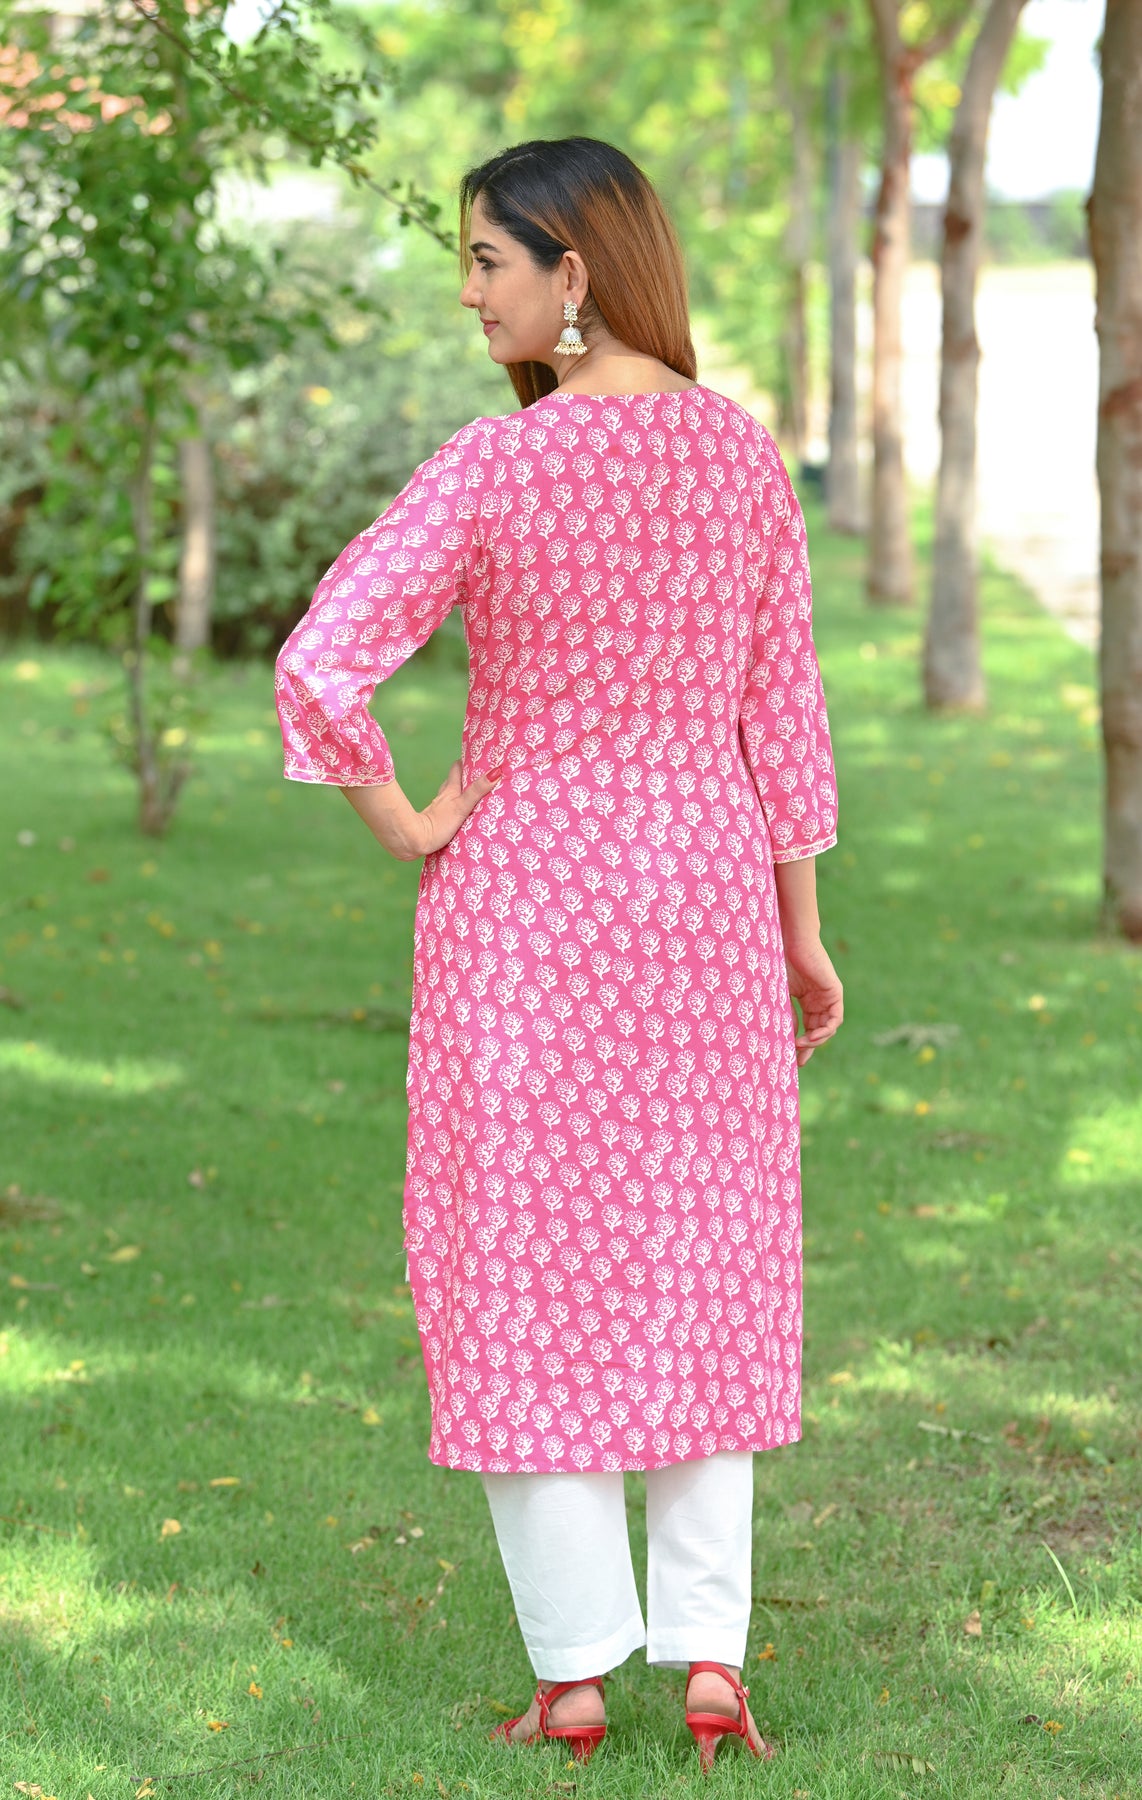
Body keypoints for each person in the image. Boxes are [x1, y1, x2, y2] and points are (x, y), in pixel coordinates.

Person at [275, 135, 843, 1772]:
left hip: (523, 910)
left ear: (571, 272)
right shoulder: (740, 457)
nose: (467, 294)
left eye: (485, 261)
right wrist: (801, 936)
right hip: (703, 907)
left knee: (522, 1266)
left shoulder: (494, 468)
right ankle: (710, 1661)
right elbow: (783, 720)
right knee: (703, 1259)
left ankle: (576, 1673)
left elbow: (321, 664)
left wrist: (404, 821)